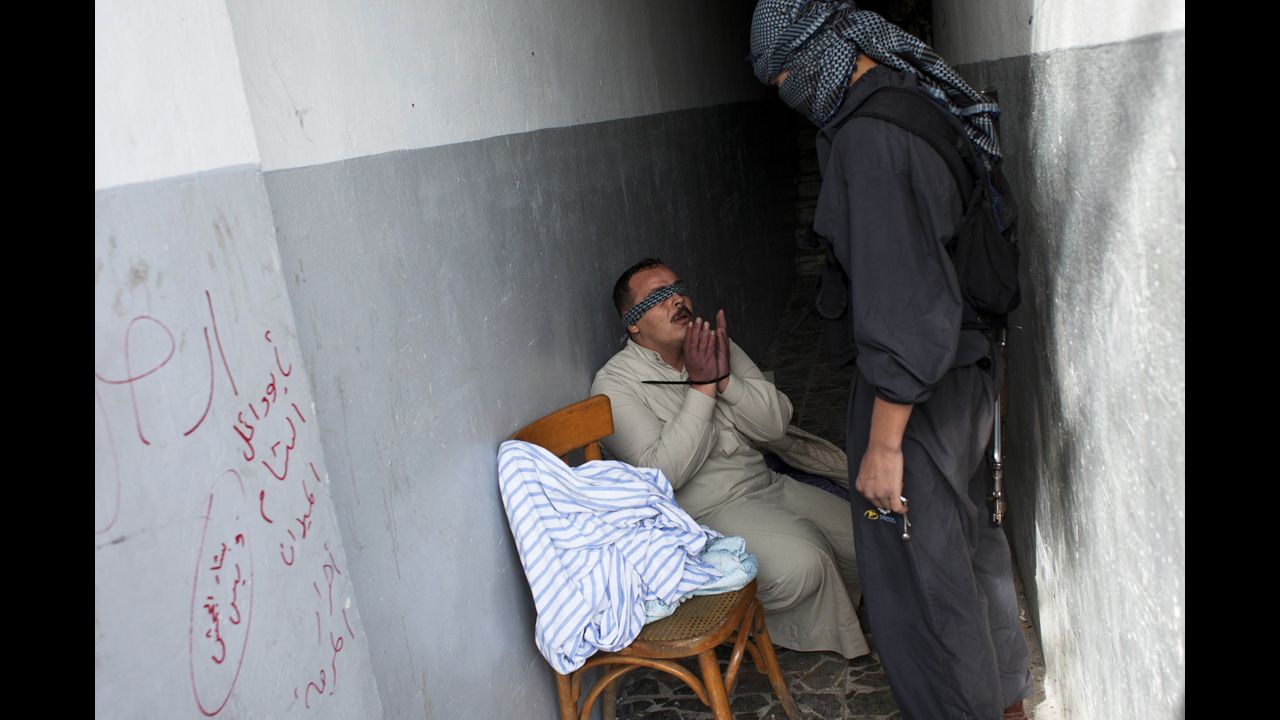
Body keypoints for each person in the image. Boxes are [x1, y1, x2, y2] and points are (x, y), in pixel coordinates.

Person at [748, 2, 1034, 718]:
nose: (787, 89)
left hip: (917, 400)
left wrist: (883, 444)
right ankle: (1003, 703)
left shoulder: (870, 141)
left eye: (786, 73)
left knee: (924, 587)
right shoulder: (911, 105)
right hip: (962, 374)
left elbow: (905, 307)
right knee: (969, 553)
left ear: (825, 50)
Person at [590, 258, 869, 659]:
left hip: (767, 484)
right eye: (658, 296)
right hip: (709, 516)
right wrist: (703, 388)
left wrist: (723, 378)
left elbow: (775, 425)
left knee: (869, 540)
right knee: (806, 562)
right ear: (632, 323)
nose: (677, 300)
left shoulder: (711, 344)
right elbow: (662, 475)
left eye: (679, 289)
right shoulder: (614, 384)